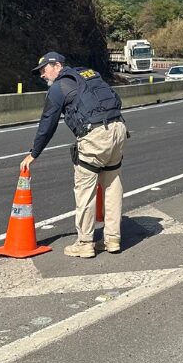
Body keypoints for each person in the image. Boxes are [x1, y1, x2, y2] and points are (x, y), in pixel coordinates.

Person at [20, 52, 126, 258]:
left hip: (95, 136)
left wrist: (34, 153)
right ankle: (113, 239)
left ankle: (85, 243)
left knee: (85, 189)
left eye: (43, 70)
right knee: (113, 185)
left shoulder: (59, 88)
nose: (42, 75)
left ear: (57, 65)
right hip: (118, 128)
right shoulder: (89, 74)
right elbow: (116, 99)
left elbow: (47, 123)